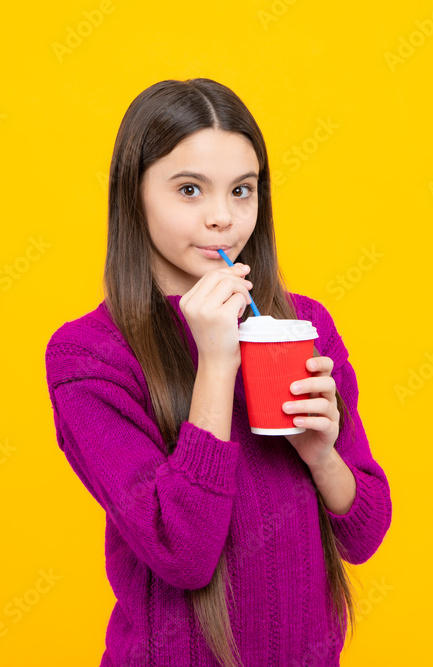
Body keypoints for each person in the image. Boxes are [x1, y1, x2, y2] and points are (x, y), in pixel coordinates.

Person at [45, 78, 392, 667]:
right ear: (133, 196)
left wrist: (321, 455)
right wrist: (216, 361)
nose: (222, 219)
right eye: (189, 190)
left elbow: (365, 531)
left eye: (242, 191)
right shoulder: (87, 356)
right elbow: (182, 553)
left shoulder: (302, 324)